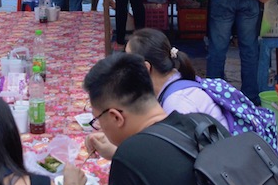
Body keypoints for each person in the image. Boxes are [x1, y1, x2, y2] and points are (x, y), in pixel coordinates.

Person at [81, 52, 223, 185]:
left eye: (97, 120)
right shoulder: (201, 123)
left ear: (115, 116)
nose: (99, 127)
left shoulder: (131, 158)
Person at [85, 29, 227, 160]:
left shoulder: (177, 104)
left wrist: (120, 153)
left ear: (146, 68)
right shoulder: (175, 81)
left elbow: (174, 160)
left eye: (127, 63)